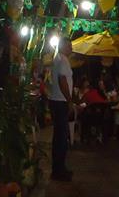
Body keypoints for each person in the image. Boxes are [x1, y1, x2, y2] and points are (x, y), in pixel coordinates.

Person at [49, 37, 74, 181]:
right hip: (61, 102)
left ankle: (58, 168)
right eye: (69, 46)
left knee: (58, 137)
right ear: (63, 46)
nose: (71, 49)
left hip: (56, 101)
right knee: (62, 137)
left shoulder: (57, 59)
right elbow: (62, 80)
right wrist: (69, 101)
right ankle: (59, 170)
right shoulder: (63, 60)